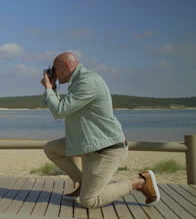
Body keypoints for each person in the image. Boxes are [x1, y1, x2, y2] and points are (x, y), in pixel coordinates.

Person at [40, 52, 160, 208]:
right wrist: (53, 88)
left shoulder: (88, 81)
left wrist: (49, 88)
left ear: (66, 66)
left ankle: (141, 182)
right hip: (89, 145)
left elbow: (59, 111)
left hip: (106, 149)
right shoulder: (77, 83)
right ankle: (84, 183)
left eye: (54, 69)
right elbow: (58, 108)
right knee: (52, 149)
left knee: (88, 201)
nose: (53, 73)